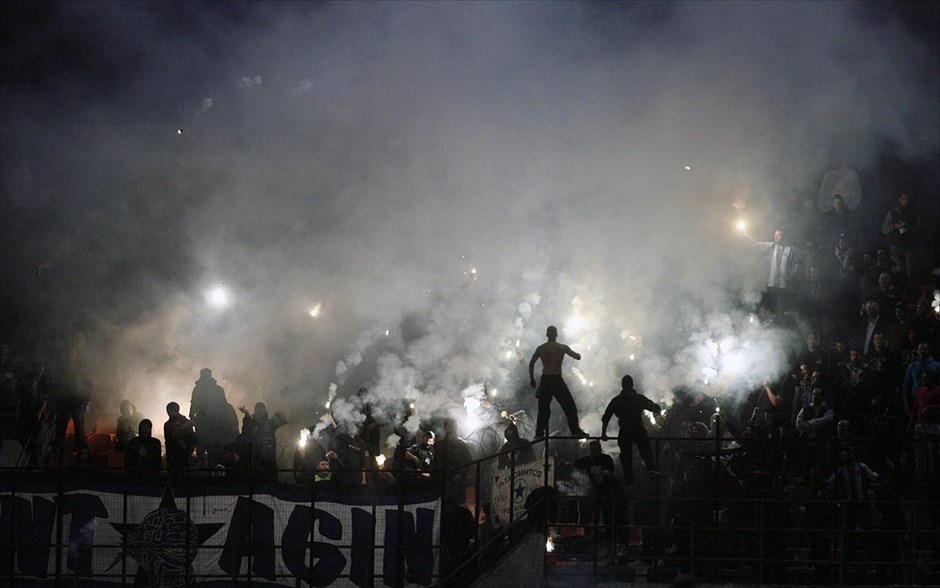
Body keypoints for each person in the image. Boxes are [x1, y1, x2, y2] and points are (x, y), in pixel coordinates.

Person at [601, 375, 661, 486]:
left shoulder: (617, 400)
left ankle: (629, 484)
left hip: (625, 429)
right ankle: (651, 470)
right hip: (638, 428)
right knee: (646, 451)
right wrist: (658, 419)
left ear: (622, 385)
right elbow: (655, 408)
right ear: (632, 385)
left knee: (626, 458)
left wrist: (603, 433)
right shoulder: (639, 398)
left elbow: (606, 417)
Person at [529, 325, 586, 437]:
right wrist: (578, 355)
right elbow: (577, 356)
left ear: (547, 335)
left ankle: (539, 432)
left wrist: (532, 379)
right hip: (556, 380)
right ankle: (575, 430)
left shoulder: (541, 348)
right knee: (569, 406)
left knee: (543, 409)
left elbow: (531, 364)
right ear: (556, 334)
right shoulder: (562, 347)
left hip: (546, 380)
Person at [189, 368, 239, 469]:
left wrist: (192, 417)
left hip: (209, 423)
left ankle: (206, 470)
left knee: (205, 448)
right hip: (208, 423)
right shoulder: (217, 389)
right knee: (209, 448)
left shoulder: (198, 389)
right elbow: (194, 405)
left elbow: (194, 406)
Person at [881, 192, 920, 283]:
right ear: (899, 200)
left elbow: (919, 229)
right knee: (897, 270)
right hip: (895, 245)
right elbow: (884, 229)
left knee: (910, 271)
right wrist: (894, 226)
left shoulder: (914, 213)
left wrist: (908, 226)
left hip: (909, 246)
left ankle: (910, 290)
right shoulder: (892, 213)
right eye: (903, 199)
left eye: (907, 199)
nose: (905, 201)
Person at [754, 228, 797, 311]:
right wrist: (746, 236)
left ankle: (779, 322)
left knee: (780, 309)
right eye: (775, 235)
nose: (776, 237)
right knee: (769, 308)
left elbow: (794, 265)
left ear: (784, 237)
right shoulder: (771, 246)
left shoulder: (791, 250)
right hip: (771, 285)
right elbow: (756, 244)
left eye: (779, 235)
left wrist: (790, 278)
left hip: (783, 286)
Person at [163, 402, 195, 472]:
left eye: (171, 411)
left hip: (184, 454)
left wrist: (189, 453)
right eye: (168, 411)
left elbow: (192, 439)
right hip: (173, 455)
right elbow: (167, 441)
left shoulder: (185, 423)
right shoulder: (167, 425)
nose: (169, 413)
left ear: (176, 410)